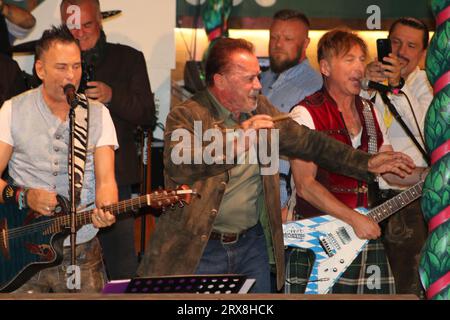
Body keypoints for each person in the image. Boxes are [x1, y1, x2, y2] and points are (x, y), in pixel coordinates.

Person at [136, 37, 415, 293]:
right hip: (199, 247)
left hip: (251, 244)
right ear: (220, 81)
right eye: (250, 79)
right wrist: (238, 140)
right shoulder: (186, 115)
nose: (259, 85)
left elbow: (312, 144)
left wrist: (366, 162)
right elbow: (180, 164)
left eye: (258, 76)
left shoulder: (262, 108)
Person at [288, 29, 427, 294]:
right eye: (349, 59)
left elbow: (389, 173)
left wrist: (428, 174)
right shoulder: (305, 113)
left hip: (363, 234)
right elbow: (305, 185)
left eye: (362, 59)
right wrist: (354, 219)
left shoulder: (369, 110)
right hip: (323, 239)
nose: (359, 67)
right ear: (326, 67)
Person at [0, 25, 118, 293]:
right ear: (40, 69)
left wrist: (106, 210)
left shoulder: (98, 114)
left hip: (82, 250)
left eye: (76, 66)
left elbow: (106, 181)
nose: (71, 76)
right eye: (62, 67)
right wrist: (24, 196)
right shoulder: (12, 110)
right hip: (21, 249)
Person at [60, 0, 156, 280]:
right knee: (68, 270)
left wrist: (112, 96)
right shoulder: (56, 65)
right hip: (65, 186)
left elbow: (147, 115)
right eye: (73, 27)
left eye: (87, 25)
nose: (79, 33)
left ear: (101, 20)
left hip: (117, 179)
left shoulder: (128, 58)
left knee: (121, 267)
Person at [362, 17, 432, 298]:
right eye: (395, 42)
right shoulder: (368, 77)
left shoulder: (429, 87)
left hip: (409, 204)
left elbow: (425, 131)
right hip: (369, 200)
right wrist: (364, 83)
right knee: (370, 287)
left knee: (407, 287)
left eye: (411, 45)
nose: (401, 51)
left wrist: (396, 86)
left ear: (423, 54)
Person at [260, 9, 322, 220]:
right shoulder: (260, 79)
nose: (277, 44)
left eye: (287, 39)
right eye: (274, 37)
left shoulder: (316, 86)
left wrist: (291, 205)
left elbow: (314, 154)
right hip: (253, 197)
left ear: (305, 44)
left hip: (283, 203)